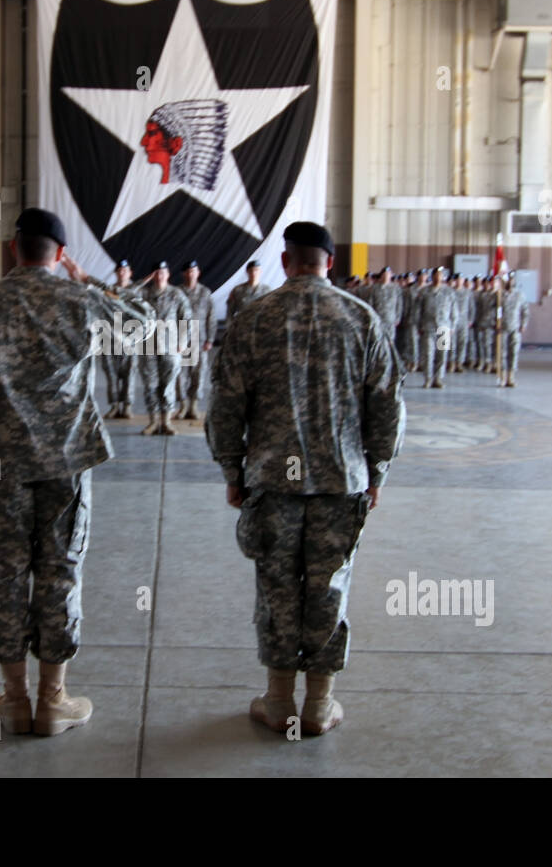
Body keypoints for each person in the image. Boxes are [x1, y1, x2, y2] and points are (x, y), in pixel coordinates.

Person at [0, 208, 155, 737]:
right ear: (59, 254)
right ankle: (53, 699)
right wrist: (89, 281)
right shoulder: (78, 299)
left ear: (15, 249)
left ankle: (14, 699)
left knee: (8, 571)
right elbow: (143, 327)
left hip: (1, 464)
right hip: (65, 461)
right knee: (60, 569)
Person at [206, 221, 404, 736]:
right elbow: (386, 405)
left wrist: (232, 468)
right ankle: (318, 704)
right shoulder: (361, 318)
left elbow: (226, 403)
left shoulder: (254, 318)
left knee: (276, 588)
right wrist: (377, 470)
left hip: (272, 481)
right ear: (329, 262)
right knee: (329, 587)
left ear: (287, 260)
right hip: (341, 480)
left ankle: (277, 701)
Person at [135, 260, 193, 436]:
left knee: (167, 386)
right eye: (156, 273)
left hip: (170, 347)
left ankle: (166, 422)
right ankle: (153, 422)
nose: (160, 276)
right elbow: (125, 294)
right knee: (150, 385)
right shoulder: (143, 293)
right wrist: (142, 281)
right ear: (152, 276)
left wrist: (182, 342)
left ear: (168, 275)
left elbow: (187, 319)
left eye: (163, 273)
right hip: (148, 347)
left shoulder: (176, 294)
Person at [177, 260, 215, 420]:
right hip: (181, 341)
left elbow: (210, 317)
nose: (191, 274)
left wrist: (210, 339)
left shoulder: (205, 292)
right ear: (183, 274)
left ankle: (193, 406)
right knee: (181, 374)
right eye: (188, 271)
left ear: (198, 273)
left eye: (194, 271)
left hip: (200, 340)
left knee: (199, 374)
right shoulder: (177, 292)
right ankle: (183, 405)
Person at [101, 260, 137, 418]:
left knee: (130, 373)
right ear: (116, 273)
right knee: (111, 373)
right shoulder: (108, 291)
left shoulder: (137, 292)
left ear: (130, 273)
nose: (122, 273)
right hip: (110, 339)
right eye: (119, 270)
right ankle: (114, 406)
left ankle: (127, 406)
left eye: (125, 270)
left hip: (131, 340)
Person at [416, 267, 456, 389]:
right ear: (432, 277)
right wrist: (418, 325)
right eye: (436, 275)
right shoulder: (424, 292)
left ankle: (438, 378)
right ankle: (428, 378)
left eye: (440, 275)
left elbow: (454, 311)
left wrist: (452, 326)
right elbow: (418, 310)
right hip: (428, 326)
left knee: (441, 355)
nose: (438, 277)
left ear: (443, 277)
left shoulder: (449, 292)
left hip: (444, 326)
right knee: (428, 354)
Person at [500, 272, 530, 387]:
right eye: (508, 280)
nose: (510, 282)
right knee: (502, 353)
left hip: (515, 327)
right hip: (502, 328)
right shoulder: (500, 295)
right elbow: (493, 311)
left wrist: (523, 324)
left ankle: (510, 377)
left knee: (513, 352)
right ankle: (502, 377)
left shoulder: (519, 295)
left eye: (512, 280)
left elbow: (525, 311)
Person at [226, 260, 269, 329]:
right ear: (247, 272)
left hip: (261, 329)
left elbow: (270, 311)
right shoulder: (237, 290)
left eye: (256, 270)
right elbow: (229, 313)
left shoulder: (267, 290)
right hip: (242, 329)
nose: (253, 273)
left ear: (260, 272)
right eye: (251, 270)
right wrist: (229, 330)